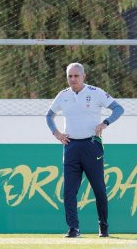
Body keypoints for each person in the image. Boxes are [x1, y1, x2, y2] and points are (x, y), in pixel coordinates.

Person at [45, 62, 125, 238]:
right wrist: (56, 133)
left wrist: (105, 123)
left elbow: (119, 108)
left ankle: (103, 227)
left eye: (76, 76)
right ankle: (73, 228)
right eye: (70, 76)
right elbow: (49, 115)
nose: (73, 79)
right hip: (70, 146)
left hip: (91, 146)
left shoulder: (95, 92)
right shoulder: (63, 95)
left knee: (99, 189)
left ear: (83, 76)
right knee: (69, 191)